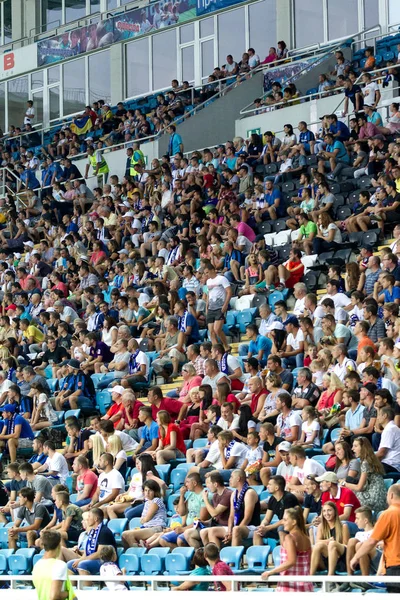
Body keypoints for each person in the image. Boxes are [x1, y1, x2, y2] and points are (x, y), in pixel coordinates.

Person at [261, 506, 314, 592]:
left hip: (290, 587)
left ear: (294, 522)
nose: (283, 523)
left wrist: (270, 572)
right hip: (305, 586)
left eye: (285, 520)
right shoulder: (306, 538)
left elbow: (291, 561)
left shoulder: (289, 538)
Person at [310, 501, 350, 584]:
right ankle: (310, 578)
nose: (326, 513)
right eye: (324, 511)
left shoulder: (343, 526)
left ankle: (330, 577)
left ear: (335, 511)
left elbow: (346, 546)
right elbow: (317, 542)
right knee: (318, 546)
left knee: (332, 544)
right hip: (328, 558)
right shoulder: (321, 526)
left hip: (341, 558)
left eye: (329, 510)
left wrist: (333, 543)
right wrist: (328, 541)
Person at [32, 531, 77, 600]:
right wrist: (68, 593)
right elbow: (54, 596)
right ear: (59, 545)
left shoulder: (37, 565)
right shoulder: (59, 565)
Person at [254, 475, 300, 543]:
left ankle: (284, 552)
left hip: (293, 526)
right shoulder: (272, 499)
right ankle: (259, 553)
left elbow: (286, 519)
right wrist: (262, 526)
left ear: (276, 488)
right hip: (282, 525)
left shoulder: (288, 498)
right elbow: (267, 519)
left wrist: (267, 528)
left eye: (270, 484)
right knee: (257, 532)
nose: (267, 486)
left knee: (281, 529)